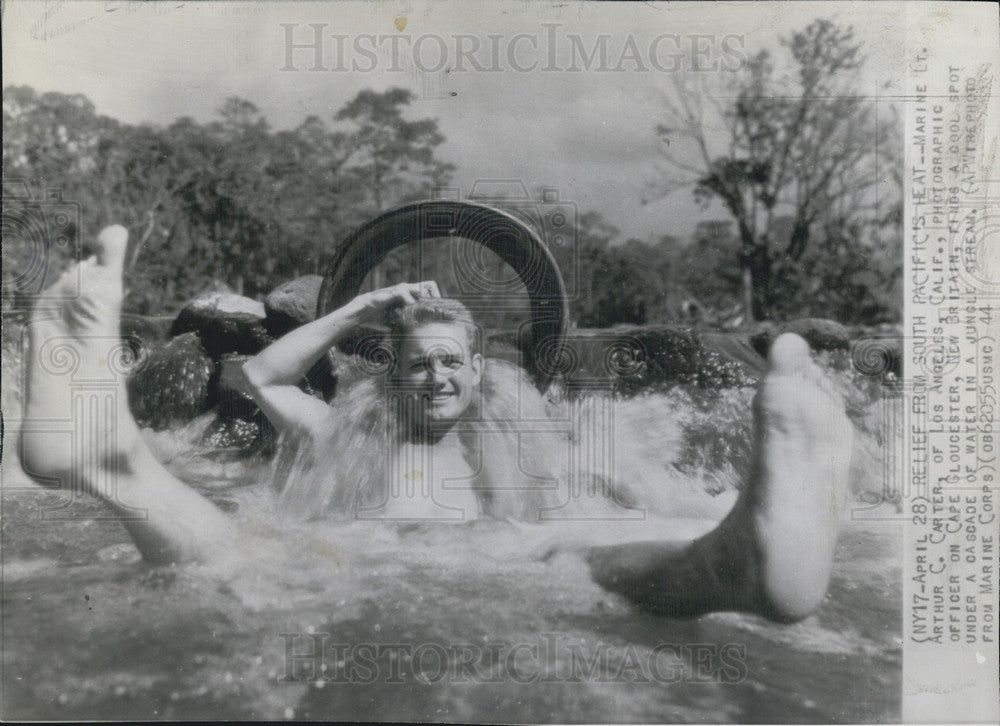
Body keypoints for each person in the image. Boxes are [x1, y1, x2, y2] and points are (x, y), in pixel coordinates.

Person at [20, 225, 853, 622]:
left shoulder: (530, 436)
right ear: (398, 375)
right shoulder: (351, 431)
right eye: (418, 363)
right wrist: (363, 307)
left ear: (478, 369)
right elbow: (259, 373)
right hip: (362, 570)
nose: (436, 374)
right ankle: (113, 462)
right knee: (255, 553)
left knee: (591, 552)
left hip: (504, 567)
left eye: (452, 361)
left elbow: (642, 489)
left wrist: (691, 511)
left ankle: (736, 557)